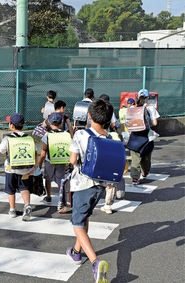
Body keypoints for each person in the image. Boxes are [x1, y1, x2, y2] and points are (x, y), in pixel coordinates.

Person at [67, 99, 112, 282]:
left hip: (83, 185)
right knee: (84, 217)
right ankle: (77, 252)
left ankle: (95, 262)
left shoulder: (80, 134)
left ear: (89, 116)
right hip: (99, 187)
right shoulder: (108, 137)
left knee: (77, 223)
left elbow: (72, 160)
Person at [0, 113, 35, 221]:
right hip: (25, 169)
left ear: (11, 125)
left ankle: (12, 209)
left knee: (11, 189)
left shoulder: (7, 138)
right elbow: (35, 153)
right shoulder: (29, 138)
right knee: (24, 188)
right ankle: (27, 205)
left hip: (10, 170)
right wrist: (34, 167)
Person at [38, 112, 71, 206]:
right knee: (61, 180)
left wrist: (40, 163)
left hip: (50, 161)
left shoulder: (47, 135)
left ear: (49, 123)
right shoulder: (66, 134)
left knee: (48, 178)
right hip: (62, 160)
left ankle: (48, 197)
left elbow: (44, 152)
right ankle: (62, 199)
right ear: (61, 123)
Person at [129, 89, 160, 185]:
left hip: (134, 136)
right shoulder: (150, 108)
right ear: (147, 98)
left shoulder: (132, 108)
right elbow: (154, 123)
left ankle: (135, 178)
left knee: (135, 158)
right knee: (146, 156)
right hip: (146, 136)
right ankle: (145, 172)